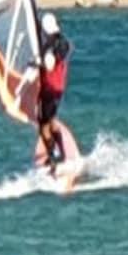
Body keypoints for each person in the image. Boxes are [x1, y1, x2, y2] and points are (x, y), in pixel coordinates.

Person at [33, 10, 74, 169]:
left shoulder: (49, 47)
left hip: (49, 89)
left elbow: (49, 64)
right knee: (51, 120)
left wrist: (37, 63)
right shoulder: (63, 42)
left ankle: (53, 157)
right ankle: (62, 153)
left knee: (43, 125)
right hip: (58, 88)